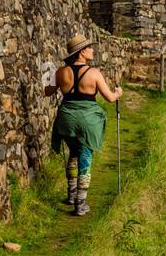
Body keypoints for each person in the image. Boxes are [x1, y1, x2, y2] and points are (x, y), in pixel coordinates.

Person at [45, 33, 122, 215]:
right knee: (85, 156)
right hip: (87, 120)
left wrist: (48, 74)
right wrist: (119, 93)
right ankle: (80, 203)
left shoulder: (61, 72)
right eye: (89, 47)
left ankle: (71, 194)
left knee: (73, 153)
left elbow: (47, 91)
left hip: (66, 119)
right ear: (81, 52)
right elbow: (110, 98)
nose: (92, 50)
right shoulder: (94, 73)